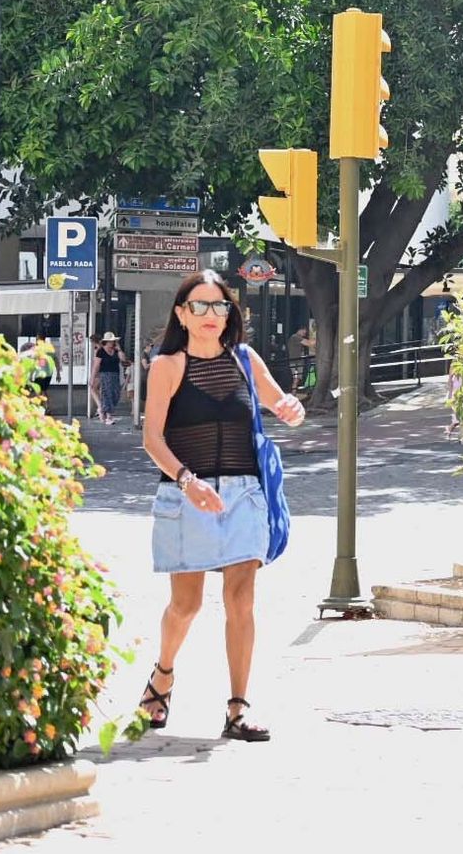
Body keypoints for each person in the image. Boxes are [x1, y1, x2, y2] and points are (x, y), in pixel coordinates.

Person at [136, 270, 305, 741]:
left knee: (241, 600)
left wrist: (293, 408)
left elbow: (281, 403)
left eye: (220, 306)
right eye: (201, 306)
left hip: (245, 494)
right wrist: (187, 480)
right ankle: (162, 675)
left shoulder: (245, 360)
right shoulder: (168, 365)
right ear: (182, 314)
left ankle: (237, 709)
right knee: (185, 606)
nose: (212, 315)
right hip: (186, 493)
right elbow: (152, 438)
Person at [94, 333, 129, 425]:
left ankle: (103, 410)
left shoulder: (116, 351)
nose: (112, 343)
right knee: (107, 393)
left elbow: (123, 359)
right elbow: (96, 365)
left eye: (113, 341)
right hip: (105, 374)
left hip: (115, 374)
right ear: (107, 342)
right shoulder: (101, 351)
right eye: (111, 341)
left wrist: (119, 348)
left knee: (116, 394)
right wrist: (93, 377)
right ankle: (108, 416)